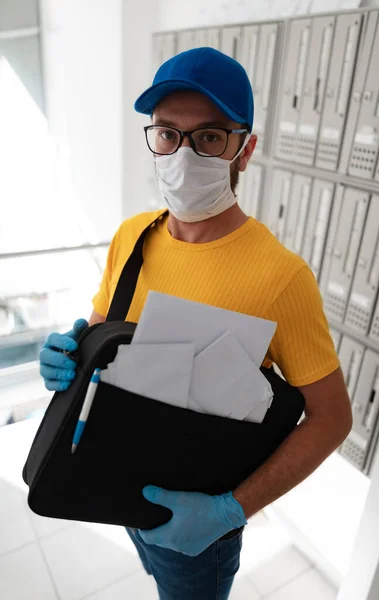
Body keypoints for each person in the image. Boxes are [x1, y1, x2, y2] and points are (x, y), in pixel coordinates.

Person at [39, 47, 353, 600]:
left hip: (199, 520)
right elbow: (101, 326)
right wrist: (72, 350)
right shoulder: (133, 234)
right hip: (117, 483)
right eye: (167, 133)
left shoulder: (281, 277)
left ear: (245, 149)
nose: (183, 153)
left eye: (210, 136)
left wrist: (229, 511)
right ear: (153, 138)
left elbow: (332, 419)